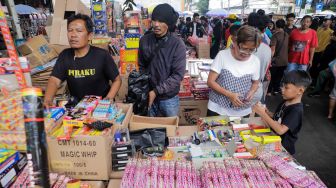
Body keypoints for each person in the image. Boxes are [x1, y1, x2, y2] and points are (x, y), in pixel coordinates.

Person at [44, 14, 121, 107]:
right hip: (77, 108)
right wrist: (47, 100)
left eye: (79, 31)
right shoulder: (65, 55)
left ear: (90, 36)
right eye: (70, 30)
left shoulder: (102, 55)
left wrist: (108, 100)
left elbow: (117, 80)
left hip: (99, 107)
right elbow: (54, 80)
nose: (73, 35)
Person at [138, 3, 186, 117]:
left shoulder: (177, 44)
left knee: (170, 132)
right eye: (154, 20)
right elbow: (141, 66)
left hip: (169, 99)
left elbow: (177, 75)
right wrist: (145, 88)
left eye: (160, 21)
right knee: (149, 131)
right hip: (148, 95)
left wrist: (156, 91)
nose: (156, 25)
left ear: (168, 23)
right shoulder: (144, 40)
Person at [253, 70, 312, 155]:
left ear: (300, 91)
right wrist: (268, 113)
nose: (282, 89)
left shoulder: (296, 110)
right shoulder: (285, 101)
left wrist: (263, 114)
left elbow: (280, 130)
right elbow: (279, 117)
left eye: (286, 87)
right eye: (282, 86)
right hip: (273, 142)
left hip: (283, 149)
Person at [207, 25, 261, 117]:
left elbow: (255, 83)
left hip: (241, 110)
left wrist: (251, 92)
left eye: (251, 50)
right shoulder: (222, 55)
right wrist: (229, 95)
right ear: (235, 41)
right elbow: (210, 82)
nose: (247, 53)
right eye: (243, 48)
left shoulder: (255, 61)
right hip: (218, 108)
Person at [248, 13, 272, 104]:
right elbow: (266, 69)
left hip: (242, 90)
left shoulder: (242, 43)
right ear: (264, 29)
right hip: (258, 88)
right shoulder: (267, 46)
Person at [268, 19, 289, 95]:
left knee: (272, 76)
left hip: (276, 61)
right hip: (284, 60)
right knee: (279, 76)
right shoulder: (286, 35)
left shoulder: (275, 35)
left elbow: (272, 50)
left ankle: (269, 91)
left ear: (276, 26)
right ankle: (276, 89)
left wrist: (269, 60)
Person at [310, 15, 334, 81]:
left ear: (331, 22)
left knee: (316, 67)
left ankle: (313, 80)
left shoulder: (331, 32)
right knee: (311, 66)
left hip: (321, 53)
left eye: (326, 20)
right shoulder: (319, 29)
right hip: (314, 50)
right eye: (324, 20)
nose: (324, 22)